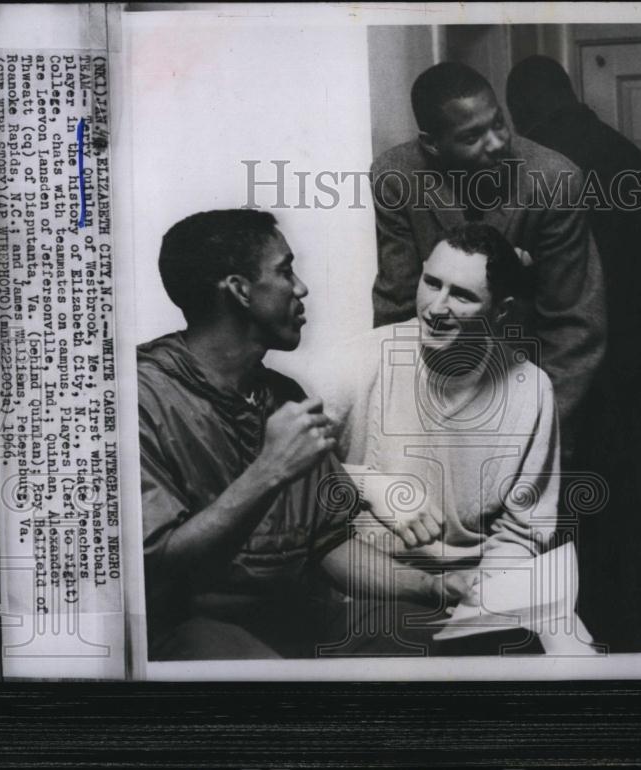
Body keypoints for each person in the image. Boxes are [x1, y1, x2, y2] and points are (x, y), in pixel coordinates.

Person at [138, 209, 468, 660]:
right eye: (285, 270)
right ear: (239, 290)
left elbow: (327, 544)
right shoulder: (140, 397)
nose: (301, 288)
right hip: (190, 632)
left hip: (296, 618)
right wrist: (270, 469)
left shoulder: (284, 395)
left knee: (468, 641)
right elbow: (155, 566)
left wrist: (435, 586)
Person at [322, 223, 582, 654]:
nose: (436, 307)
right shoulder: (354, 363)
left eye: (462, 295)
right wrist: (369, 483)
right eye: (431, 283)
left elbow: (521, 529)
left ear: (501, 310)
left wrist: (485, 600)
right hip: (377, 587)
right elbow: (284, 486)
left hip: (475, 592)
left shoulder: (530, 388)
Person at [506, 54, 641, 651]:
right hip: (636, 389)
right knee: (626, 546)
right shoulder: (630, 157)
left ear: (517, 110)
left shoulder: (532, 171)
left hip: (561, 388)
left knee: (559, 549)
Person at [370, 61, 606, 459]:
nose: (497, 142)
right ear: (431, 144)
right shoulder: (394, 177)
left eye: (499, 123)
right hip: (435, 397)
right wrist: (408, 426)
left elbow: (575, 326)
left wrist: (535, 433)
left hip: (530, 387)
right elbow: (396, 309)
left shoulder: (555, 181)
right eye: (473, 135)